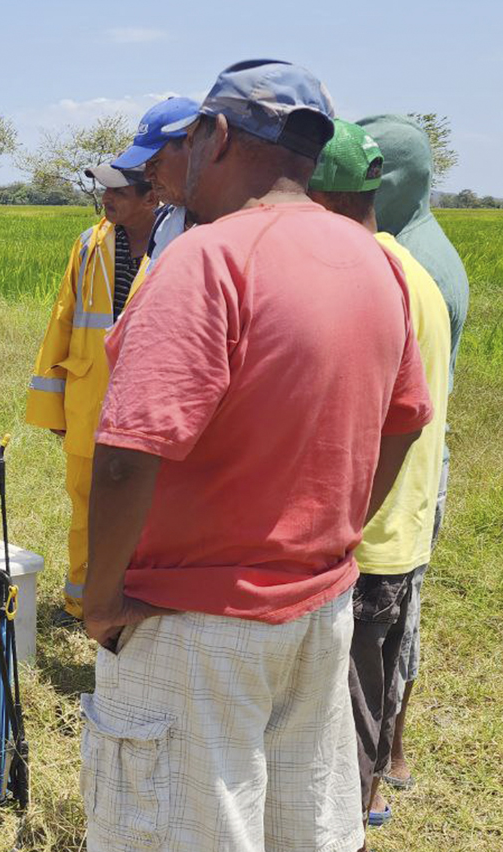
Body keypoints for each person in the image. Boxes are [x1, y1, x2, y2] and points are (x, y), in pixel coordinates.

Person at [79, 60, 432, 852]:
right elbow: (406, 422)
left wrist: (100, 600)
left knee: (179, 829)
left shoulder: (205, 261)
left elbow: (128, 455)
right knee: (299, 828)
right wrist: (330, 534)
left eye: (196, 131)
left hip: (193, 623)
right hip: (318, 611)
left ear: (220, 134)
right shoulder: (373, 263)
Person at [307, 118, 451, 841]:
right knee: (369, 694)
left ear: (325, 202)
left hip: (362, 534)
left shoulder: (370, 275)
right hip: (401, 527)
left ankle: (349, 827)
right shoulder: (411, 268)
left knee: (344, 711)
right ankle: (359, 810)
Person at [357, 113, 470, 797]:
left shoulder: (414, 262)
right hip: (415, 452)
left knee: (395, 613)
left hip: (410, 462)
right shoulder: (409, 245)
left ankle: (387, 753)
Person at [24, 163, 157, 622]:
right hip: (88, 399)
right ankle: (80, 600)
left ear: (151, 196)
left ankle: (133, 597)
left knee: (145, 508)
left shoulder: (180, 245)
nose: (107, 197)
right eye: (104, 189)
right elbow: (63, 320)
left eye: (118, 190)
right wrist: (52, 405)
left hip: (148, 404)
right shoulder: (89, 243)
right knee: (85, 503)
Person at [111, 97, 200, 288]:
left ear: (194, 145)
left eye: (156, 161)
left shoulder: (239, 225)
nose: (148, 174)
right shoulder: (166, 224)